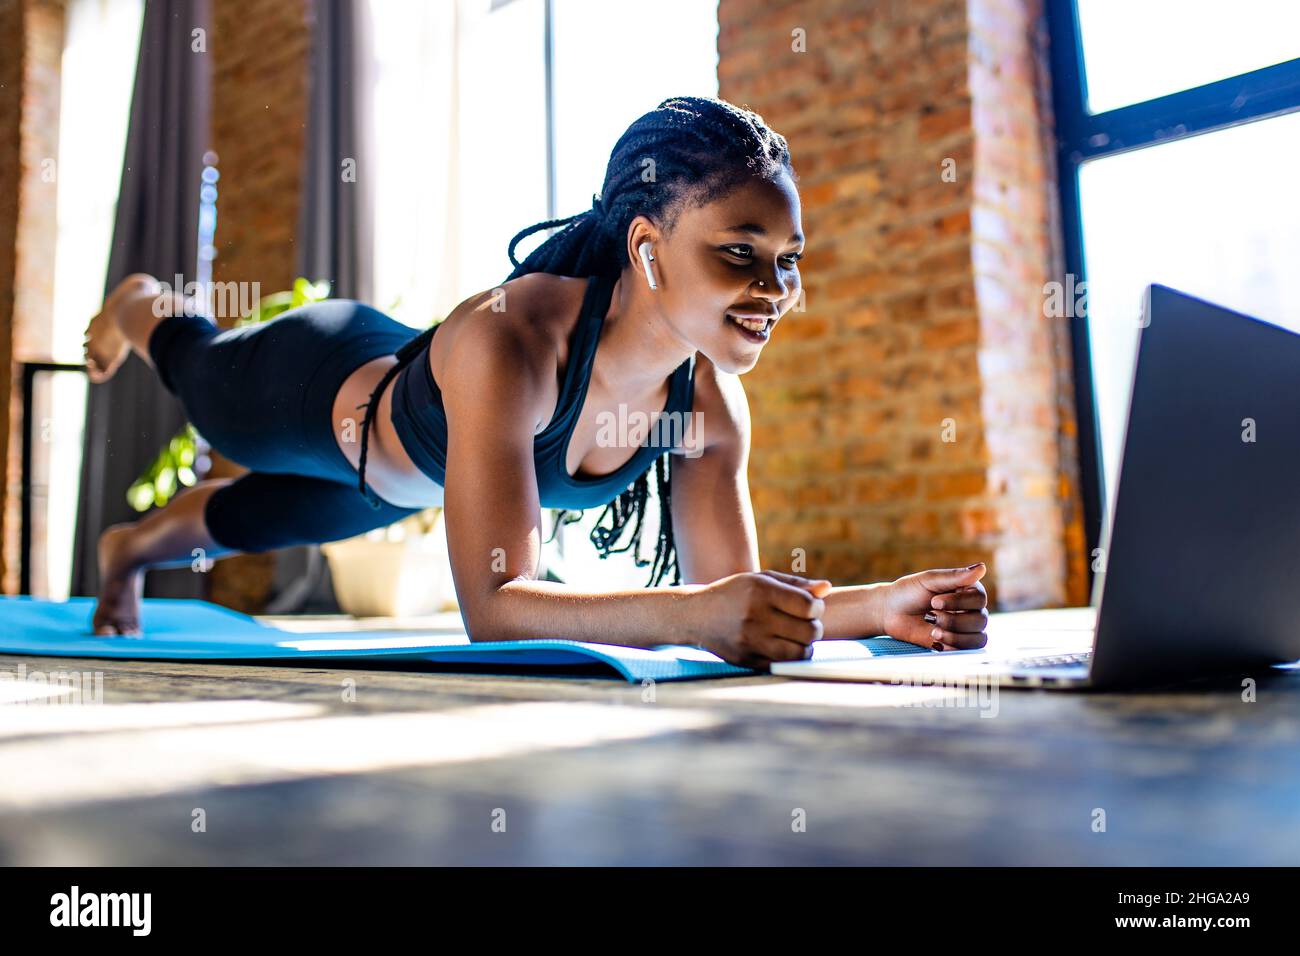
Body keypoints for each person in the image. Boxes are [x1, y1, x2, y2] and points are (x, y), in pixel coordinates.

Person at [82, 95, 988, 666]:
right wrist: (695, 617)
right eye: (741, 254)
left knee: (241, 522)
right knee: (202, 379)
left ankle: (124, 552)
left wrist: (884, 605)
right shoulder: (510, 341)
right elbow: (496, 605)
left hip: (394, 486)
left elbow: (742, 602)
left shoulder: (708, 406)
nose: (775, 290)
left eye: (788, 260)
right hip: (322, 386)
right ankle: (139, 303)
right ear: (649, 247)